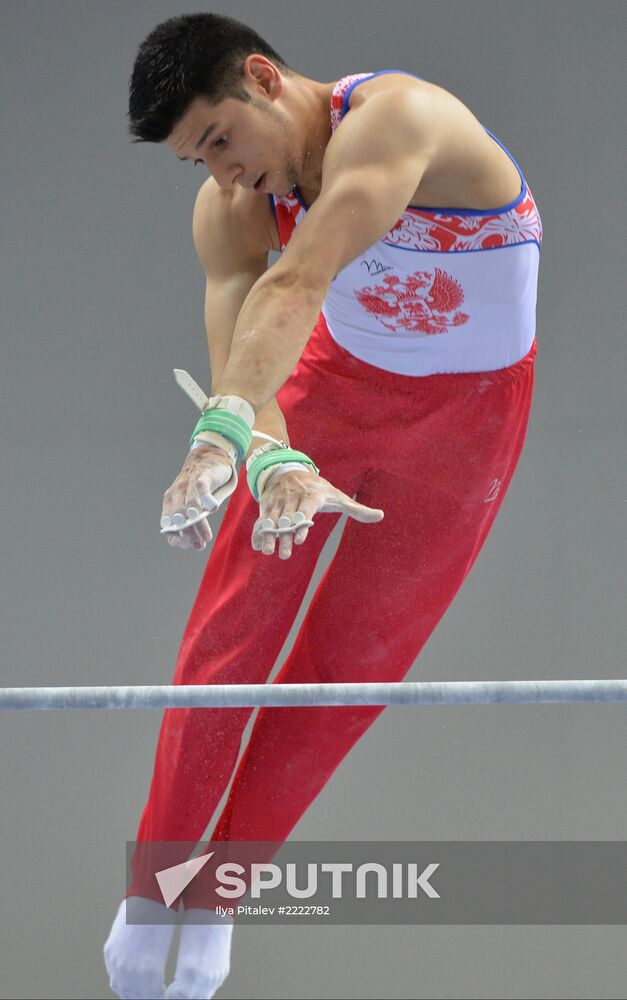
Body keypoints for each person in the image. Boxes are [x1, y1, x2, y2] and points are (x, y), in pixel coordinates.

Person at [104, 12, 542, 999]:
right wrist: (262, 457)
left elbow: (306, 277)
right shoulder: (231, 213)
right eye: (195, 161)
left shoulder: (398, 122)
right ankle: (153, 888)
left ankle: (213, 892)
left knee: (349, 670)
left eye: (219, 138)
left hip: (466, 429)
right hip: (328, 394)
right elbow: (246, 352)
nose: (221, 175)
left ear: (262, 77)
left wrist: (217, 434)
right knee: (231, 633)